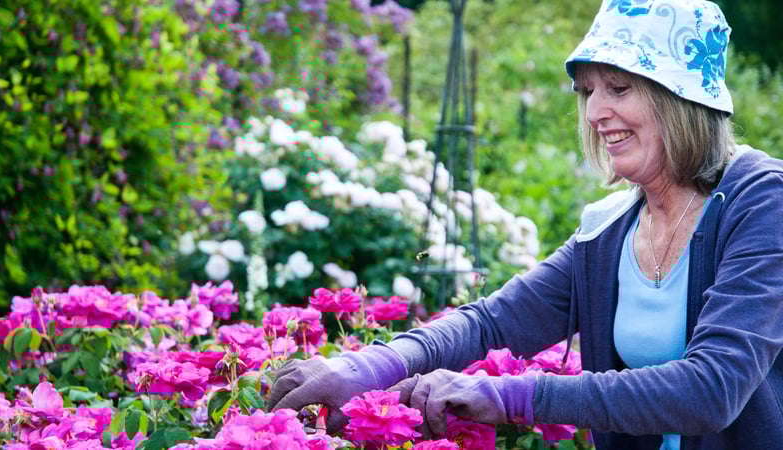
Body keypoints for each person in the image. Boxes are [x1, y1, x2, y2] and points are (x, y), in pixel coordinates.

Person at [269, 0, 783, 448]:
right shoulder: (610, 229)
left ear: (682, 98)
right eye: (588, 92)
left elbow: (713, 389)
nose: (596, 112)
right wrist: (365, 368)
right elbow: (494, 322)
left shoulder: (761, 201)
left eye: (619, 88)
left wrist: (509, 395)